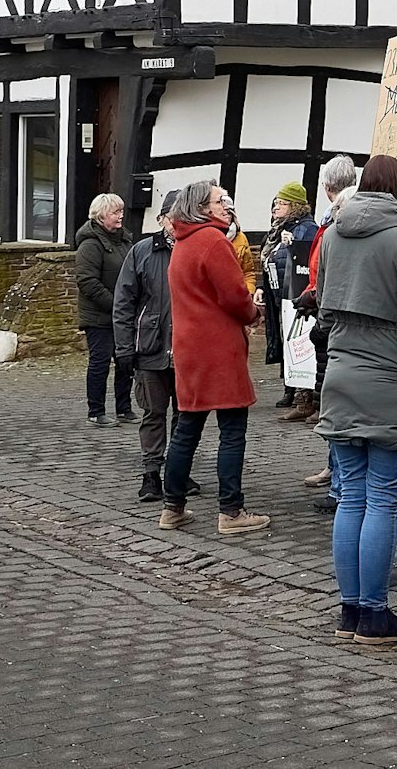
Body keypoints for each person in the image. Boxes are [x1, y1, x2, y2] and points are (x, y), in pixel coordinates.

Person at [311, 157, 397, 644]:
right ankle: (373, 614)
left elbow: (323, 307)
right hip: (392, 381)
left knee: (350, 497)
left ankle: (350, 611)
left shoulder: (331, 236)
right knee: (385, 501)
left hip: (342, 376)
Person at [158, 182, 270, 536]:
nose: (226, 205)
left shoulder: (183, 242)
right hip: (218, 349)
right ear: (202, 208)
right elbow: (235, 296)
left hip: (190, 348)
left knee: (186, 429)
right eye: (219, 201)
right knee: (232, 430)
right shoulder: (212, 242)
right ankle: (231, 511)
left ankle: (172, 507)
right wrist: (253, 312)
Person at [113, 189, 199, 504]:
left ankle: (178, 470)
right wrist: (123, 348)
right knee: (153, 412)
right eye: (171, 217)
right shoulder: (141, 252)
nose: (176, 223)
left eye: (183, 217)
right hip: (150, 347)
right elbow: (124, 303)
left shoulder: (196, 250)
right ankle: (151, 474)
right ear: (161, 218)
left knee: (185, 414)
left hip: (188, 349)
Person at [285, 156, 361, 424]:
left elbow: (324, 265)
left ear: (328, 185)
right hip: (320, 295)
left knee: (326, 357)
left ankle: (322, 407)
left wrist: (314, 292)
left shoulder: (335, 220)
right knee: (320, 357)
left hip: (327, 299)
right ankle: (314, 404)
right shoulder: (330, 218)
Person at [74, 193, 136, 427]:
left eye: (121, 211)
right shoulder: (90, 244)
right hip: (99, 317)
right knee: (100, 363)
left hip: (122, 315)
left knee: (125, 362)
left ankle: (124, 408)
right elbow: (88, 283)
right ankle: (96, 411)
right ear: (101, 216)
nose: (120, 216)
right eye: (115, 212)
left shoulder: (124, 241)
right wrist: (117, 305)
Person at [263, 183, 319, 405]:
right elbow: (270, 260)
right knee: (283, 338)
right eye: (276, 202)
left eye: (282, 203)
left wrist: (291, 246)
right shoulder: (278, 229)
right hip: (277, 293)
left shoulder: (304, 229)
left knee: (296, 342)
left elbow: (300, 262)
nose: (276, 207)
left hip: (293, 294)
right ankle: (289, 387)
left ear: (294, 205)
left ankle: (299, 393)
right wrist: (261, 287)